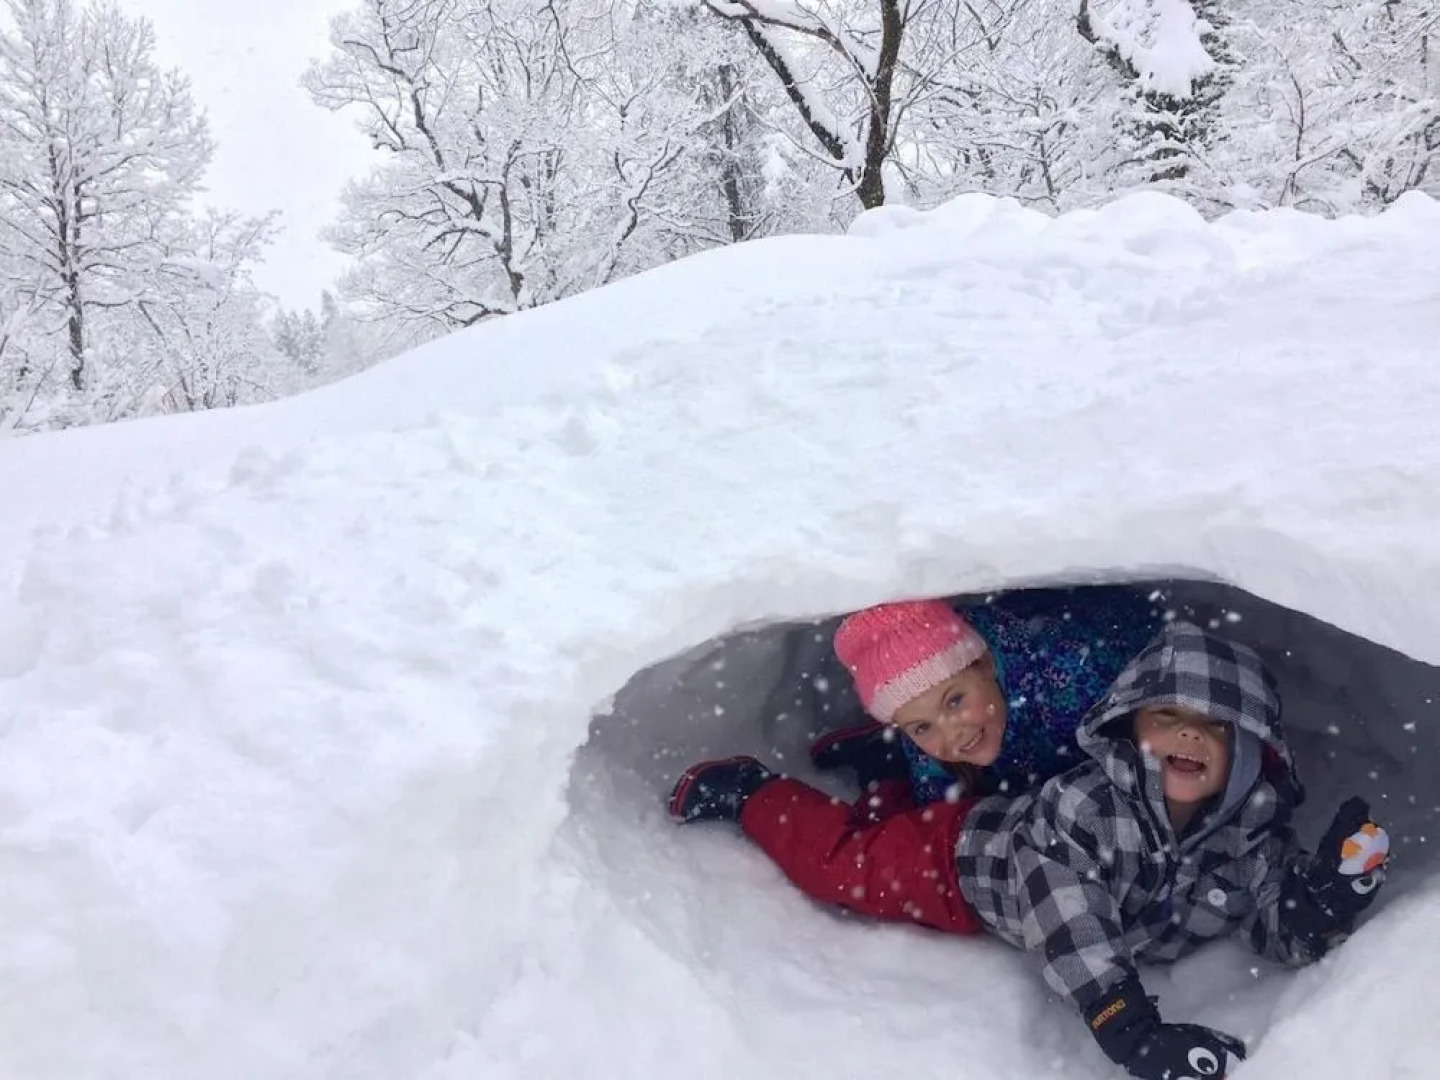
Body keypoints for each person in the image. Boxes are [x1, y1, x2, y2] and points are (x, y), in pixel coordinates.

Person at [669, 622, 1390, 1080]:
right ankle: (755, 793)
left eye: (1214, 725)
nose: (1187, 736)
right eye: (1168, 716)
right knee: (846, 865)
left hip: (991, 825)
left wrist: (1326, 895)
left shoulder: (1245, 838)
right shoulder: (1082, 809)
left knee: (878, 824)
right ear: (1132, 728)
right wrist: (1131, 1031)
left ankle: (883, 768)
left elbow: (1272, 917)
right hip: (962, 861)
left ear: (1251, 754)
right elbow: (1067, 920)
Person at [807, 589, 1164, 820]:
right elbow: (938, 815)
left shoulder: (1074, 678)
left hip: (1114, 625)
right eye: (920, 726)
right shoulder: (930, 734)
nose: (951, 731)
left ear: (986, 664)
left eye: (954, 701)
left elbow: (1147, 755)